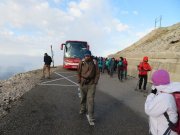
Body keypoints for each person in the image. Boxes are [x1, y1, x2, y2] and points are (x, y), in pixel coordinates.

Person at [145, 69, 179, 135]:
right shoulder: (172, 89)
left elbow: (148, 109)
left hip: (163, 130)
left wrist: (152, 93)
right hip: (170, 128)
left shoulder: (164, 97)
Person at [77, 50, 100, 122]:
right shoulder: (81, 62)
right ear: (84, 56)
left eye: (88, 55)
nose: (87, 57)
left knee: (90, 100)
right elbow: (78, 72)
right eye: (86, 55)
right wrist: (79, 80)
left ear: (90, 55)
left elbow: (97, 73)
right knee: (83, 98)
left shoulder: (94, 62)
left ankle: (91, 116)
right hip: (83, 83)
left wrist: (95, 82)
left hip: (91, 84)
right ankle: (83, 109)